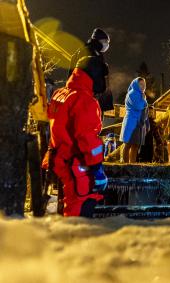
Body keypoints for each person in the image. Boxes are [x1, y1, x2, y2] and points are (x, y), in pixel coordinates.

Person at [44, 56, 108, 217]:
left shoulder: (61, 93)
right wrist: (97, 168)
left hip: (60, 157)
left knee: (68, 201)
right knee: (81, 204)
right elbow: (87, 138)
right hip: (77, 163)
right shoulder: (85, 100)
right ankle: (74, 238)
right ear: (94, 75)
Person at [68, 28, 112, 112]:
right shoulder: (88, 52)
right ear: (98, 40)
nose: (107, 44)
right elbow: (91, 76)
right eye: (105, 41)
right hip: (88, 97)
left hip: (87, 96)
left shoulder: (94, 52)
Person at [120, 77, 149, 163]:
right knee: (128, 144)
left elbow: (145, 110)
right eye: (141, 84)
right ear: (136, 84)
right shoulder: (132, 94)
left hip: (139, 123)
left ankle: (132, 164)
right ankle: (125, 165)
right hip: (131, 122)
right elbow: (139, 106)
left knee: (135, 145)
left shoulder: (141, 95)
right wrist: (144, 100)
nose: (143, 86)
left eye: (144, 84)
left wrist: (146, 124)